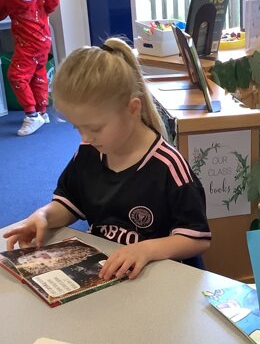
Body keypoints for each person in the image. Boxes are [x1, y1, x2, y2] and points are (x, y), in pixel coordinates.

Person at [3, 37, 211, 279]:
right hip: (104, 271)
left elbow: (197, 238)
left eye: (95, 128)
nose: (85, 137)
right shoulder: (89, 151)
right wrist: (44, 216)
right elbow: (69, 204)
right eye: (77, 127)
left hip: (155, 276)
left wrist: (146, 250)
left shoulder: (168, 167)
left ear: (133, 109)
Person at [0, 0, 59, 136]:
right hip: (43, 36)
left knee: (16, 76)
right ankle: (42, 111)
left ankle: (32, 115)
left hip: (27, 42)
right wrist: (44, 12)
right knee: (38, 73)